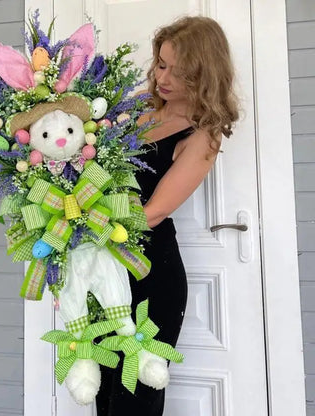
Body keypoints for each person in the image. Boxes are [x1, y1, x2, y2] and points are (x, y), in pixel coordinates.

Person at [96, 15, 239, 416]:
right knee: (102, 389)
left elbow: (154, 211)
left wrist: (88, 229)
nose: (164, 78)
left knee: (135, 397)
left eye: (180, 72)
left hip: (149, 273)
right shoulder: (136, 108)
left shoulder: (201, 134)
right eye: (161, 63)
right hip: (103, 266)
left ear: (205, 74)